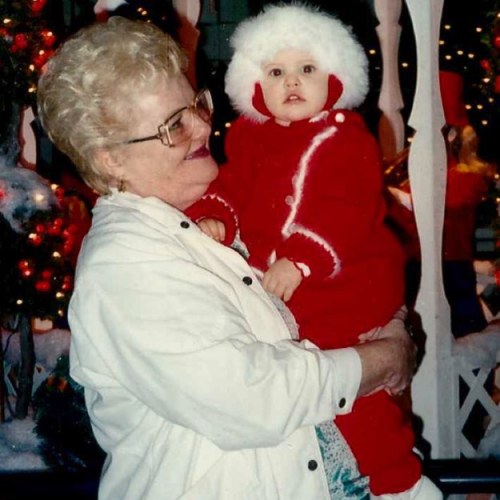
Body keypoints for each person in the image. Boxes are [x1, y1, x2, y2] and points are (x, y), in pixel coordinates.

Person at [37, 15, 420, 500]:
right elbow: (252, 400)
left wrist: (384, 312)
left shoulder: (206, 214)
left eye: (196, 104)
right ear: (110, 157)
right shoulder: (124, 265)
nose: (202, 127)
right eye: (173, 126)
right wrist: (382, 361)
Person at [186, 4, 440, 498]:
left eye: (308, 69)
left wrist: (301, 257)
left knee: (351, 381)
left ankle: (397, 481)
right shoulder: (250, 137)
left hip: (344, 276)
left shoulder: (345, 137)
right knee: (304, 377)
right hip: (286, 286)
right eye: (276, 72)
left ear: (335, 79)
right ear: (255, 86)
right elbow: (232, 186)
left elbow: (347, 207)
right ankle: (328, 467)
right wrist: (215, 214)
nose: (293, 82)